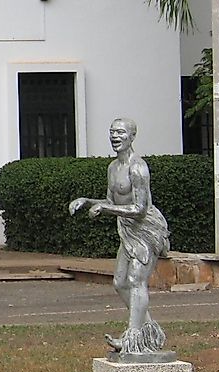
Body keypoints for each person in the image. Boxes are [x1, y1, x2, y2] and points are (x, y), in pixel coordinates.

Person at [69, 117, 171, 356]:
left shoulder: (138, 167)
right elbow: (111, 201)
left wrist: (106, 210)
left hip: (146, 229)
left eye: (120, 132)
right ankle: (149, 331)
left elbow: (140, 209)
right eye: (112, 132)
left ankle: (132, 339)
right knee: (120, 283)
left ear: (132, 136)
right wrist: (87, 202)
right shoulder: (113, 168)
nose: (115, 137)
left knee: (136, 281)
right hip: (127, 230)